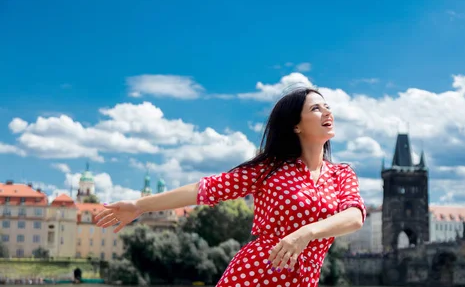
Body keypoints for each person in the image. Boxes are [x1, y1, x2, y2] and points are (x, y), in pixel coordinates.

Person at [94, 87, 366, 286]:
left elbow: (354, 216)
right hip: (255, 274)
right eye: (316, 108)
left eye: (327, 106)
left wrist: (305, 233)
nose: (327, 111)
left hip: (303, 281)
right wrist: (139, 205)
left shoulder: (341, 174)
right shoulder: (268, 169)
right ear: (296, 126)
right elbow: (204, 190)